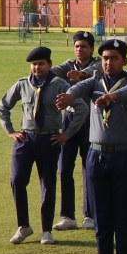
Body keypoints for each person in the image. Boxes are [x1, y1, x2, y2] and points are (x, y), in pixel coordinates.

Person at [59, 38, 127, 254]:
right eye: (105, 58)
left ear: (123, 60)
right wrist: (69, 96)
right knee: (102, 222)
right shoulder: (95, 81)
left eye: (114, 58)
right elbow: (79, 87)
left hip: (125, 156)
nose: (109, 62)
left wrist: (112, 96)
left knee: (124, 221)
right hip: (97, 157)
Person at [0, 45, 71, 245]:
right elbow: (3, 106)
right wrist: (10, 131)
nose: (37, 68)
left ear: (49, 64)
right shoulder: (23, 84)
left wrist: (67, 134)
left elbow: (80, 108)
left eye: (41, 64)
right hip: (25, 139)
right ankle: (23, 226)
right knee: (17, 180)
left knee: (48, 184)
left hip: (49, 139)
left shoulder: (59, 85)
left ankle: (46, 230)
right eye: (34, 64)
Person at [53, 31, 98, 231]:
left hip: (91, 120)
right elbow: (51, 72)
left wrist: (81, 75)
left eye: (84, 46)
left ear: (92, 49)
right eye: (77, 46)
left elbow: (96, 72)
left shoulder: (98, 64)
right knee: (64, 168)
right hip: (69, 119)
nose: (80, 50)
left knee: (89, 168)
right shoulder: (68, 65)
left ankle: (90, 215)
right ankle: (68, 216)